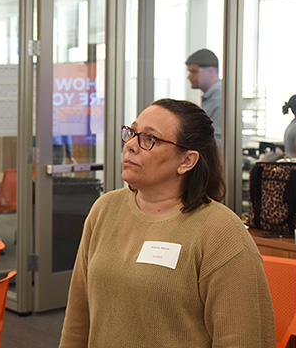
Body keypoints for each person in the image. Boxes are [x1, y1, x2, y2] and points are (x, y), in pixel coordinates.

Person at [59, 98, 275, 347]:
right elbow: (77, 319)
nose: (130, 145)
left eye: (149, 139)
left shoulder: (221, 232)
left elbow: (242, 339)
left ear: (187, 161)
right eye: (132, 133)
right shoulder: (105, 209)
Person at [186, 49, 222, 150]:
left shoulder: (220, 99)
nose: (189, 77)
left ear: (210, 71)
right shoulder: (211, 97)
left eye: (193, 71)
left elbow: (220, 143)